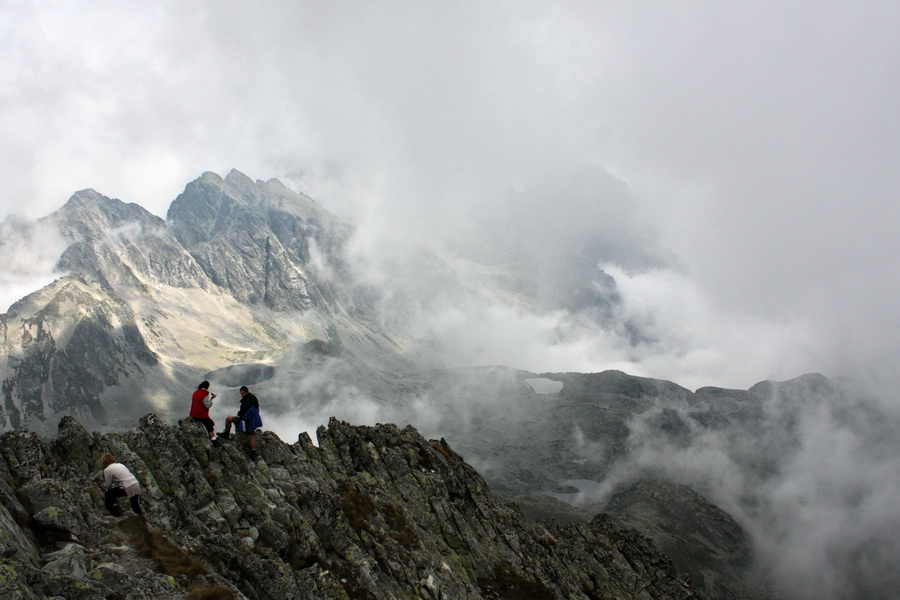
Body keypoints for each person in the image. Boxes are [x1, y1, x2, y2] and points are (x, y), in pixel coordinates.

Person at [217, 385, 262, 454]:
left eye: (242, 393)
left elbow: (242, 412)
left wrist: (239, 414)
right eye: (241, 393)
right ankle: (253, 452)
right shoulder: (253, 398)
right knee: (251, 436)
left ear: (246, 392)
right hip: (253, 421)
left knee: (228, 419)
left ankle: (226, 433)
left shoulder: (247, 401)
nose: (241, 395)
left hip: (246, 421)